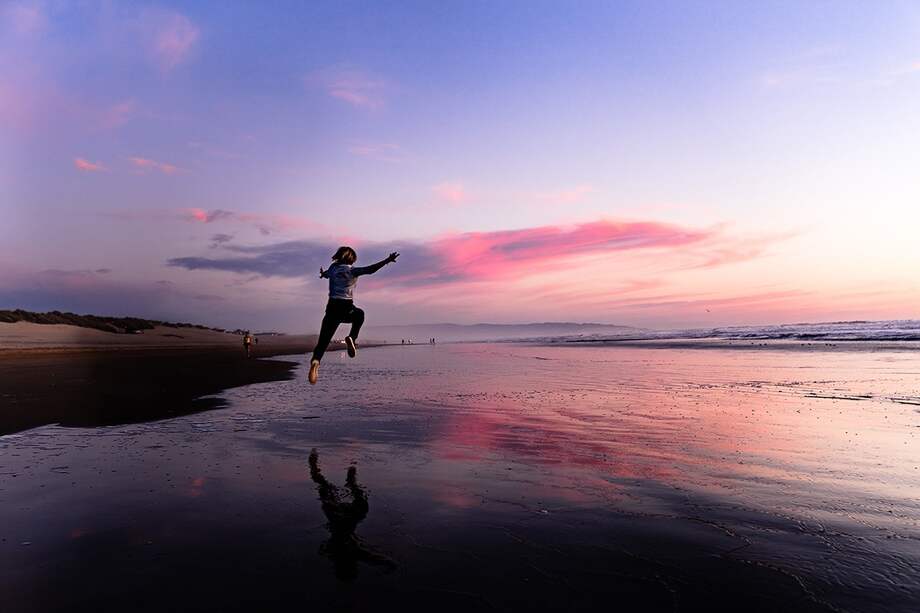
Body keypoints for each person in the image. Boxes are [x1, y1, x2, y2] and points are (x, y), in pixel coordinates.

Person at [308, 246, 399, 385]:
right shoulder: (352, 271)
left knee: (323, 342)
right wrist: (387, 260)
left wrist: (322, 274)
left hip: (332, 308)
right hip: (347, 307)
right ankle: (352, 338)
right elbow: (371, 269)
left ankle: (315, 362)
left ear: (338, 256)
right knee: (360, 315)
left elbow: (326, 274)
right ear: (352, 259)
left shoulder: (333, 269)